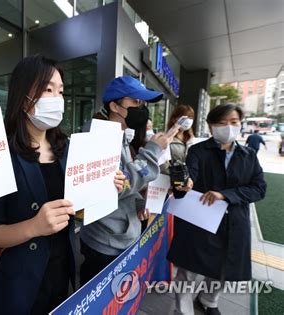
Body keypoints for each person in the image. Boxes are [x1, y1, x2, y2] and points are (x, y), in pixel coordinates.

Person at [0, 55, 124, 314]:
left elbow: (77, 210)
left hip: (62, 270)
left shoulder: (68, 148)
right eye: (47, 89)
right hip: (17, 283)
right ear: (23, 96)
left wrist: (105, 186)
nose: (57, 99)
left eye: (61, 91)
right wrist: (33, 226)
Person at [79, 76, 179, 285]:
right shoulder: (97, 138)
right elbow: (116, 187)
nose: (141, 108)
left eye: (143, 103)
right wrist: (152, 151)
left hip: (121, 233)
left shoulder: (121, 134)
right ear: (115, 106)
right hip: (105, 240)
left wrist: (140, 204)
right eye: (135, 102)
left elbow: (126, 183)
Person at [168, 104, 267, 315]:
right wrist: (187, 183)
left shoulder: (248, 155)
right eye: (221, 123)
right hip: (201, 221)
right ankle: (182, 311)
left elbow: (259, 188)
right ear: (211, 126)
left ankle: (208, 301)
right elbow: (191, 175)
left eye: (233, 122)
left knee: (223, 269)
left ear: (241, 125)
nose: (228, 127)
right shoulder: (198, 151)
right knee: (189, 271)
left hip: (234, 223)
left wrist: (225, 195)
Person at [160, 104, 196, 175]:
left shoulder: (192, 139)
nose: (188, 121)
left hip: (191, 180)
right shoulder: (166, 138)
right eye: (185, 118)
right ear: (174, 119)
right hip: (171, 179)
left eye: (191, 118)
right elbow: (162, 164)